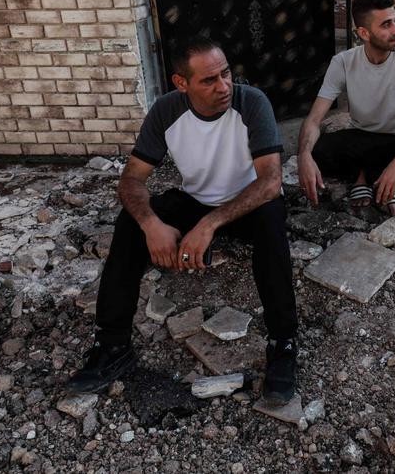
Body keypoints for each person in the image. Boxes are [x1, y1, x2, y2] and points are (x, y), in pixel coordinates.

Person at [66, 37, 298, 404]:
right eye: (209, 80)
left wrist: (208, 227)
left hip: (248, 204)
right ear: (181, 83)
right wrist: (151, 225)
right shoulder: (166, 110)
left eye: (225, 74)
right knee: (130, 221)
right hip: (196, 201)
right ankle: (112, 347)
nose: (223, 86)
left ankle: (283, 345)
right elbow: (131, 179)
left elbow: (270, 182)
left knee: (272, 220)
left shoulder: (250, 102)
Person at [297, 0, 395, 216]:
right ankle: (370, 177)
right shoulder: (343, 62)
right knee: (318, 150)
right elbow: (314, 119)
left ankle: (370, 177)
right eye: (386, 25)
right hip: (362, 137)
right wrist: (303, 156)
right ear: (364, 33)